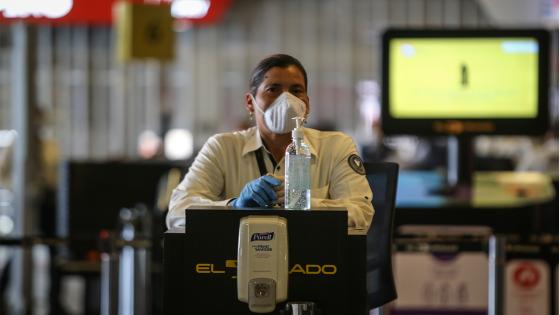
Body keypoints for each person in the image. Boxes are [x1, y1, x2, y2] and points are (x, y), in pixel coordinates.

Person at [166, 54, 373, 229]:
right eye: (273, 89)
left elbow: (362, 213)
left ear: (307, 103)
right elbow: (177, 213)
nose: (286, 100)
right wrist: (234, 207)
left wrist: (307, 205)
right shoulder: (222, 148)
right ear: (250, 102)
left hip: (313, 262)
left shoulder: (335, 147)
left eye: (296, 91)